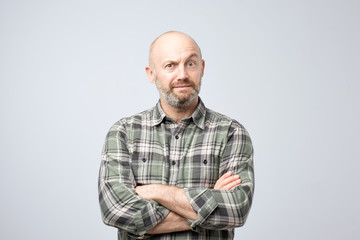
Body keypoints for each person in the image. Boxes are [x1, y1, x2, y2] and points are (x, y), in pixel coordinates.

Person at [98, 31, 254, 240]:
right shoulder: (124, 133)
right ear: (151, 73)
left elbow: (236, 209)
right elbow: (115, 210)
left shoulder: (231, 133)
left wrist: (157, 192)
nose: (182, 74)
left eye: (190, 64)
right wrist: (209, 205)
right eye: (170, 65)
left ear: (202, 68)